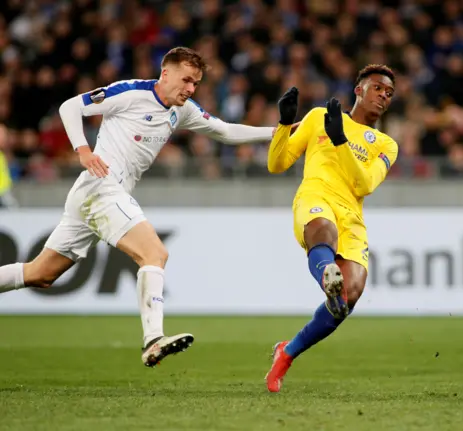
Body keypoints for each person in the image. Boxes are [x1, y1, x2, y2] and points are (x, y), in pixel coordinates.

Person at [0, 47, 277, 367]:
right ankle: (154, 339)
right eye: (186, 80)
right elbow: (70, 107)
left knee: (41, 274)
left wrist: (278, 132)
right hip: (101, 189)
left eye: (196, 84)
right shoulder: (131, 92)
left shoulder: (182, 110)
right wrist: (83, 150)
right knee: (154, 253)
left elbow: (225, 131)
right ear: (165, 74)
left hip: (94, 196)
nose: (190, 89)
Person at [265, 64, 398, 392]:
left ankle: (287, 352)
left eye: (389, 93)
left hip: (351, 217)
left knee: (349, 296)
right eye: (378, 88)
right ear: (359, 90)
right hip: (316, 197)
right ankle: (327, 272)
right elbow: (277, 163)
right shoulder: (317, 117)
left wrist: (340, 140)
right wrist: (283, 124)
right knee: (322, 231)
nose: (383, 96)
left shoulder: (385, 144)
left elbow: (364, 184)